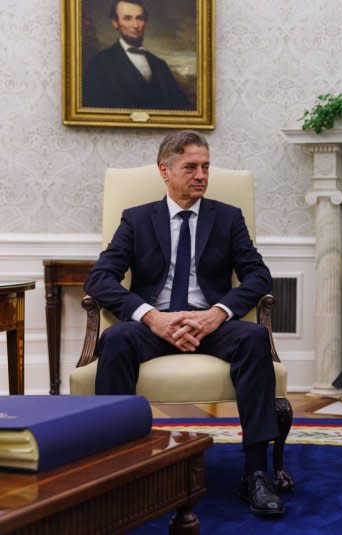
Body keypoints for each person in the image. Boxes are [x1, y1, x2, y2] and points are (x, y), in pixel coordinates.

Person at [85, 130, 285, 518]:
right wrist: (151, 316)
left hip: (212, 325)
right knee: (116, 340)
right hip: (154, 327)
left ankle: (256, 473)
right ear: (165, 170)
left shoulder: (227, 218)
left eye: (205, 166)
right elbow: (100, 279)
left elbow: (258, 276)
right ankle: (121, 471)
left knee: (254, 337)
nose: (201, 175)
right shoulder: (138, 219)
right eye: (190, 167)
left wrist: (218, 313)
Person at [83, 0, 191, 110]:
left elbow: (181, 108)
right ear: (115, 23)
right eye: (127, 18)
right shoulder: (99, 64)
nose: (135, 25)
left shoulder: (160, 65)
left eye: (139, 18)